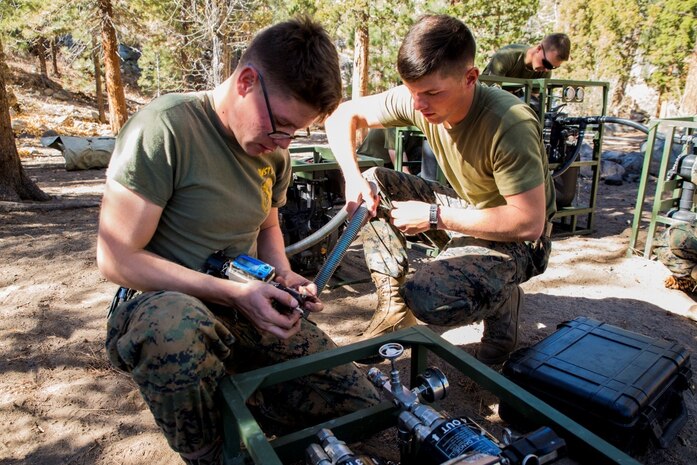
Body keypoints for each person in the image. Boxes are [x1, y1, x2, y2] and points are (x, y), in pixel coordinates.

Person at [96, 17, 379, 465]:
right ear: (247, 81)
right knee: (174, 326)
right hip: (161, 304)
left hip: (241, 298)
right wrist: (232, 293)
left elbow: (267, 227)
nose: (283, 142)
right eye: (280, 125)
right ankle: (209, 451)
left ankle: (249, 395)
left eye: (293, 132)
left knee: (363, 409)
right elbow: (115, 257)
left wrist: (282, 275)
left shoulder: (273, 153)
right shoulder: (166, 128)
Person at [325, 14, 556, 365]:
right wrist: (353, 177)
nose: (418, 105)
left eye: (432, 93)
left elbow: (529, 222)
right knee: (374, 179)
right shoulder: (421, 97)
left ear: (470, 78)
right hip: (467, 205)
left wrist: (435, 217)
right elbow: (341, 115)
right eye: (413, 92)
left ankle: (503, 299)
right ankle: (393, 309)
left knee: (429, 296)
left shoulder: (510, 122)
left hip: (523, 240)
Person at [482, 33, 571, 80]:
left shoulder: (544, 71)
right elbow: (492, 92)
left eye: (553, 67)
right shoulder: (506, 57)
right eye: (546, 64)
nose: (547, 70)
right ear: (539, 49)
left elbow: (534, 101)